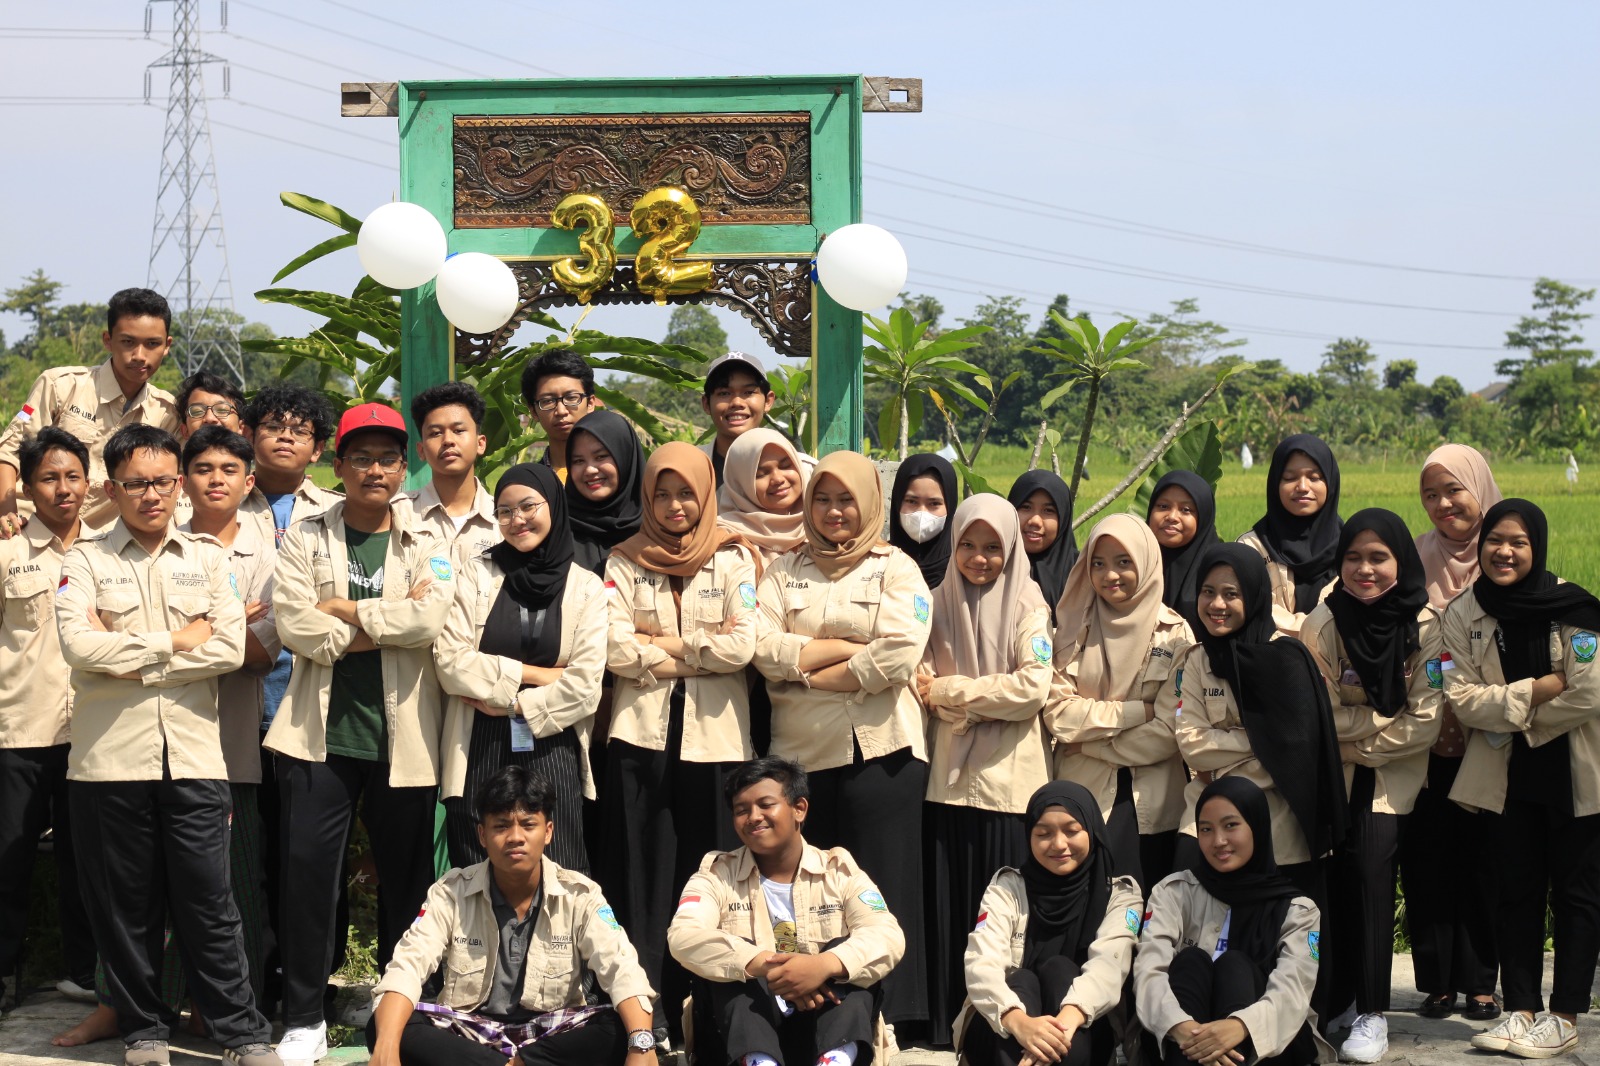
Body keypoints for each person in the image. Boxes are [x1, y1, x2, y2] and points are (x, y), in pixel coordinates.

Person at [55, 423, 277, 1066]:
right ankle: (144, 1030)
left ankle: (240, 1032)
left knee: (210, 901)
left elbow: (228, 649)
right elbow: (78, 646)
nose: (150, 495)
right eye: (135, 484)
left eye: (161, 482)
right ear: (112, 490)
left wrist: (128, 659)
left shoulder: (208, 558)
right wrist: (176, 642)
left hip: (194, 759)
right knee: (126, 907)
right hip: (108, 762)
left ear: (178, 484)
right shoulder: (85, 560)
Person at [265, 402, 454, 1065]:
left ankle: (397, 1015)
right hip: (317, 738)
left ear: (405, 469)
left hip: (405, 740)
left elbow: (431, 620)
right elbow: (295, 625)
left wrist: (344, 610)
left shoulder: (429, 539)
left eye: (388, 459)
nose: (376, 470)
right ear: (339, 466)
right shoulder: (305, 536)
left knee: (408, 884)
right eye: (362, 458)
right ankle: (303, 1018)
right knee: (308, 880)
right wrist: (386, 622)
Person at [753, 450, 933, 1029]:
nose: (833, 512)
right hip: (799, 754)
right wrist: (851, 653)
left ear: (869, 504)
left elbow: (900, 653)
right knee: (809, 885)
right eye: (823, 500)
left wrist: (806, 670)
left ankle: (894, 1011)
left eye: (846, 500)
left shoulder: (897, 568)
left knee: (883, 879)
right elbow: (761, 647)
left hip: (879, 750)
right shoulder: (783, 569)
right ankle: (815, 1007)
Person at [601, 442, 758, 1029]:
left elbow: (744, 646)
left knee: (711, 873)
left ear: (706, 494)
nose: (674, 506)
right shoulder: (624, 559)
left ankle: (712, 1011)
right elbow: (612, 646)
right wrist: (700, 655)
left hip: (716, 744)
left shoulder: (734, 557)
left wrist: (657, 648)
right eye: (661, 494)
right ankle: (649, 1011)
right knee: (642, 873)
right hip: (640, 739)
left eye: (686, 493)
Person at [1444, 499, 1600, 1060]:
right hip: (1506, 775)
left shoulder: (1575, 606)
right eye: (1494, 541)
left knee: (1578, 894)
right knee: (1516, 893)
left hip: (1575, 771)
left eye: (1518, 542)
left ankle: (1565, 1016)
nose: (1504, 552)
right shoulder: (1464, 612)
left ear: (1537, 545)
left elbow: (1590, 690)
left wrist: (1517, 718)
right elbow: (1460, 698)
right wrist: (1537, 689)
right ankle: (1523, 1010)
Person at [365, 766, 657, 1066]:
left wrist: (641, 1044)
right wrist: (387, 1044)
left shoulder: (580, 894)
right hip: (471, 1034)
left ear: (548, 832)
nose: (515, 837)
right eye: (501, 826)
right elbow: (407, 966)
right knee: (386, 1026)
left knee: (622, 1026)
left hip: (552, 1033)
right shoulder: (451, 892)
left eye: (528, 824)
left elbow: (622, 969)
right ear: (482, 834)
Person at [1299, 509, 1442, 1062]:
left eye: (1379, 557)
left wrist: (1356, 741)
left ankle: (1374, 1013)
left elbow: (1425, 721)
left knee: (1372, 877)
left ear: (1401, 560)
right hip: (1332, 779)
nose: (1365, 569)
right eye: (1354, 557)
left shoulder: (1426, 627)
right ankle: (1339, 997)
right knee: (1334, 883)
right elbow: (1318, 715)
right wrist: (1379, 718)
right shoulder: (1322, 625)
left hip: (1392, 779)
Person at [918, 494, 1054, 1038]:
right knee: (952, 904)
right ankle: (945, 1020)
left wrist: (953, 692)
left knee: (1001, 911)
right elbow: (917, 682)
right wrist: (979, 697)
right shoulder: (934, 602)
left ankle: (999, 1022)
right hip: (948, 783)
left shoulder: (1028, 603)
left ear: (1011, 550)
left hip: (1008, 783)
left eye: (993, 548)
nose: (979, 558)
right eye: (968, 546)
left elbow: (1032, 687)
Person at [669, 757, 905, 1066]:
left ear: (799, 808)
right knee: (732, 962)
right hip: (742, 1038)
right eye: (741, 810)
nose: (754, 817)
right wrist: (767, 966)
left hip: (821, 1026)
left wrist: (823, 965)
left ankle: (834, 1061)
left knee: (849, 960)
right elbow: (683, 936)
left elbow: (887, 935)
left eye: (766, 805)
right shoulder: (715, 875)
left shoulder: (839, 871)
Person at [434, 463, 606, 872]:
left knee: (559, 870)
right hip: (478, 740)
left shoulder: (586, 587)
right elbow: (451, 661)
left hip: (552, 740)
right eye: (505, 511)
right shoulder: (477, 573)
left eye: (528, 506)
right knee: (478, 869)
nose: (517, 519)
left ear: (554, 506)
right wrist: (536, 675)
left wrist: (512, 706)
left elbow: (585, 687)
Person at [1161, 544, 1346, 898]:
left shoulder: (1288, 660)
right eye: (1207, 592)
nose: (1217, 604)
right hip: (1206, 816)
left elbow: (1298, 754)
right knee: (1190, 909)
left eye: (1231, 594)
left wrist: (1221, 768)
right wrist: (1264, 739)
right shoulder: (1198, 660)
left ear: (1255, 595)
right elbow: (1192, 746)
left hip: (1279, 824)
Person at [1400, 444, 1504, 1024]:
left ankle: (1482, 983)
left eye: (1454, 490)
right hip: (1422, 740)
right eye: (1430, 495)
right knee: (1427, 861)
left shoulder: (1505, 553)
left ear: (1479, 489)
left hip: (1490, 740)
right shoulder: (1412, 559)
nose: (1443, 504)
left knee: (1485, 862)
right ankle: (1437, 982)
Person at [178, 427, 282, 1003]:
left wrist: (195, 628)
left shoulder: (268, 556)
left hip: (231, 743)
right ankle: (147, 1002)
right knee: (153, 878)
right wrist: (230, 619)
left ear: (249, 482)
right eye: (202, 468)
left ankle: (233, 1003)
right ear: (183, 479)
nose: (215, 480)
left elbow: (261, 655)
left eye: (228, 470)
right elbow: (133, 641)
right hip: (159, 738)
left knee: (235, 879)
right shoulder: (158, 538)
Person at [1134, 778, 1329, 1066]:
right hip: (1183, 1040)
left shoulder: (1297, 910)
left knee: (1234, 965)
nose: (1218, 841)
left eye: (1231, 825)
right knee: (1191, 961)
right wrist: (1181, 1027)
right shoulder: (1173, 892)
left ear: (1257, 827)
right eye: (1206, 829)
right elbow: (1149, 970)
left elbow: (1293, 990)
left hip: (1263, 1047)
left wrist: (1240, 1026)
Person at [1046, 514, 1192, 893]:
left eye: (1123, 562)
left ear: (1145, 562)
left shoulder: (1175, 633)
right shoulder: (1073, 627)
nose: (1110, 575)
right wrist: (1136, 712)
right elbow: (1059, 715)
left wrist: (1089, 745)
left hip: (1152, 803)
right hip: (1084, 796)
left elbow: (1168, 732)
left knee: (1147, 908)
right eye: (1098, 563)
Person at [0, 429, 94, 1009]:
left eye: (72, 477)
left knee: (87, 862)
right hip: (20, 728)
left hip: (95, 732)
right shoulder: (7, 553)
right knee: (7, 858)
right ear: (28, 488)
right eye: (49, 478)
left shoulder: (108, 551)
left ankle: (87, 972)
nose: (63, 489)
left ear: (89, 481)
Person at [956, 782, 1142, 1066]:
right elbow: (982, 961)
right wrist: (1019, 1022)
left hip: (1081, 1030)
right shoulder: (1007, 887)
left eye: (1072, 831)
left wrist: (1055, 1033)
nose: (1058, 844)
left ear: (1092, 830)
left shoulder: (1120, 896)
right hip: (1004, 1025)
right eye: (1043, 834)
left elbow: (1109, 967)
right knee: (1021, 979)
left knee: (1061, 970)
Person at [0, 287, 181, 531]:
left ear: (167, 345)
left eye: (152, 344)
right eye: (128, 342)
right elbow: (9, 451)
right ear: (108, 340)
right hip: (29, 528)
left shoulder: (168, 414)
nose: (139, 355)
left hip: (99, 543)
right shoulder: (59, 386)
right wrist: (7, 514)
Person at [1237, 435, 1343, 636]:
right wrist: (1314, 632)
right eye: (1289, 478)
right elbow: (1253, 606)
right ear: (1275, 483)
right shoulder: (1250, 547)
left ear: (1330, 482)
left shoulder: (1351, 546)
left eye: (1314, 477)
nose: (1302, 487)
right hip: (1270, 652)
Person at [401, 381, 500, 563]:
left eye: (458, 430)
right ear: (421, 450)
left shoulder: (504, 518)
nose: (448, 440)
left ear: (480, 443)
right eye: (435, 433)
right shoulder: (398, 514)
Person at [565, 409, 646, 576]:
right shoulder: (557, 531)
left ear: (625, 457)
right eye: (578, 461)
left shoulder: (659, 528)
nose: (590, 470)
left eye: (601, 457)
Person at [715, 427, 809, 568]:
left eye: (785, 466)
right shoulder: (725, 539)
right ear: (741, 484)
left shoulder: (823, 524)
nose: (778, 479)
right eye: (761, 474)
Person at [1146, 470, 1221, 624]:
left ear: (1203, 517)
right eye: (1163, 506)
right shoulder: (1131, 562)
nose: (1172, 517)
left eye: (1186, 510)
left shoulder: (1221, 569)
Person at [698, 352, 776, 487]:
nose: (737, 402)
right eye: (724, 393)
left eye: (749, 392)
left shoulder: (796, 471)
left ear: (768, 401)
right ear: (706, 404)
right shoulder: (688, 467)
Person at [521, 350, 599, 484]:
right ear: (533, 411)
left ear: (590, 403)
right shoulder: (529, 484)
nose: (561, 411)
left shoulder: (614, 474)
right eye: (547, 401)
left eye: (571, 397)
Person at [888, 453, 957, 591]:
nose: (921, 513)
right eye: (911, 501)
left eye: (934, 503)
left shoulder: (962, 567)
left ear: (950, 506)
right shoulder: (879, 564)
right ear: (897, 501)